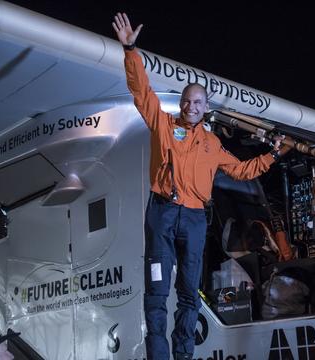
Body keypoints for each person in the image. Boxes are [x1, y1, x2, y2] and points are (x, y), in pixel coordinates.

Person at [112, 12, 291, 360]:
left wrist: (272, 155)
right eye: (186, 101)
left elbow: (241, 171)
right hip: (162, 215)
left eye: (197, 103)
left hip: (194, 220)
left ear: (206, 107)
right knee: (156, 293)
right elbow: (141, 90)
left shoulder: (212, 145)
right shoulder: (163, 124)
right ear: (180, 104)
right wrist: (131, 50)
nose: (190, 107)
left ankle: (183, 355)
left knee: (190, 295)